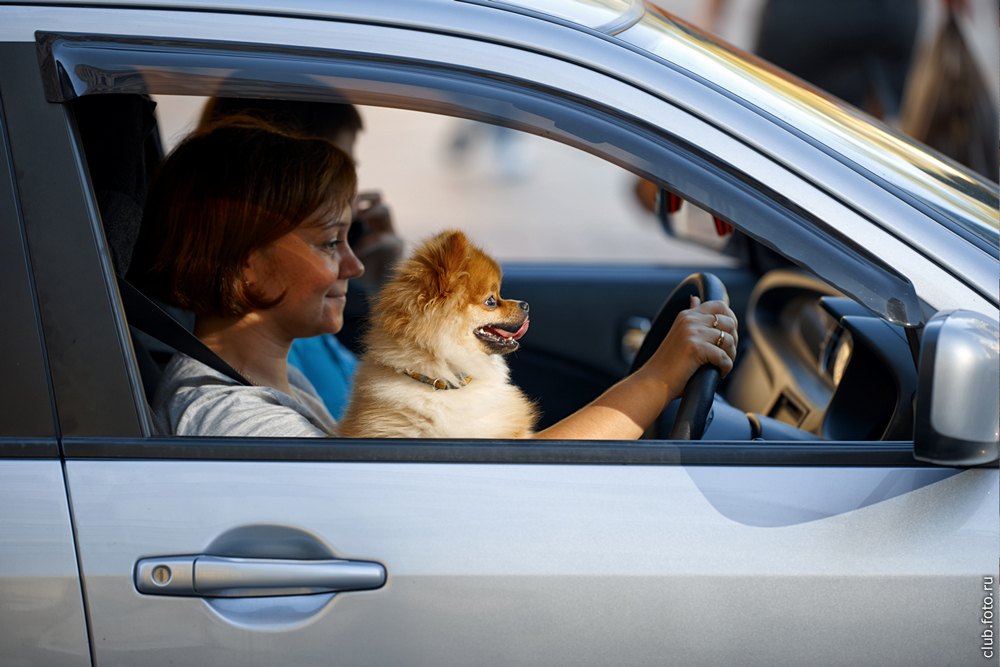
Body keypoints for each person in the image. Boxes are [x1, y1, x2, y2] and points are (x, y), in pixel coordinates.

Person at [132, 115, 739, 439]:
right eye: (326, 243)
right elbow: (509, 489)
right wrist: (658, 379)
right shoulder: (238, 425)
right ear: (247, 266)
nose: (354, 264)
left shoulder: (278, 376)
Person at [199, 98, 403, 418]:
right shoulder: (267, 369)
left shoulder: (287, 350)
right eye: (329, 241)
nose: (355, 266)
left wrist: (384, 289)